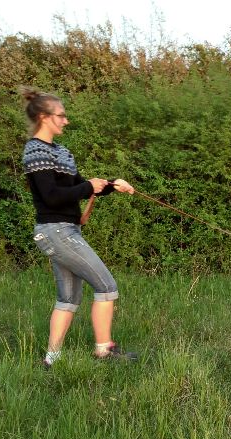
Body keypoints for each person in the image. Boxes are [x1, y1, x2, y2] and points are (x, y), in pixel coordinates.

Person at [20, 87, 138, 368]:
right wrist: (88, 186)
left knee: (69, 298)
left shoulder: (61, 151)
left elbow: (80, 187)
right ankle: (103, 350)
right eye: (61, 115)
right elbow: (51, 196)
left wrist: (112, 185)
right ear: (44, 117)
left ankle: (51, 360)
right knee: (106, 286)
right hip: (56, 232)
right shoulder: (35, 151)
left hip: (66, 231)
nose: (66, 120)